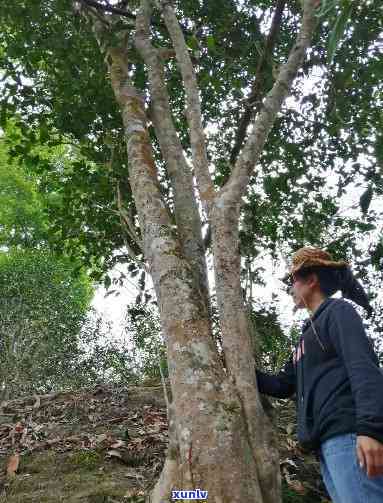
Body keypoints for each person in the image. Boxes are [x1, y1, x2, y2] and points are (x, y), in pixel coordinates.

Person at [255, 246, 383, 503]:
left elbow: (363, 367)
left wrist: (370, 429)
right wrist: (241, 369)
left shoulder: (338, 312)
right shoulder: (305, 335)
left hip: (349, 435)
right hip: (326, 445)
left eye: (293, 281)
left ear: (311, 280)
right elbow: (283, 385)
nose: (290, 289)